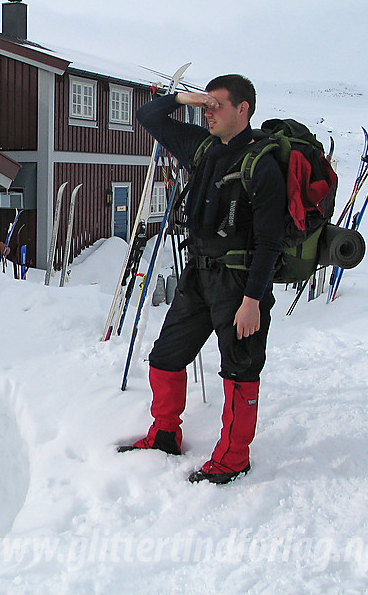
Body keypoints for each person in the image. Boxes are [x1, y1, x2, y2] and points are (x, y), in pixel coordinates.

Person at [123, 74, 286, 485]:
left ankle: (233, 459)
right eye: (206, 104)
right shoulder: (202, 147)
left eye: (217, 104)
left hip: (239, 283)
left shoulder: (261, 165)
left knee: (240, 370)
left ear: (243, 109)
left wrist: (253, 300)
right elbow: (149, 115)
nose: (208, 112)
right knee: (166, 357)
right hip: (198, 275)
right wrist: (184, 97)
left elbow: (270, 241)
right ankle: (163, 435)